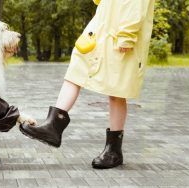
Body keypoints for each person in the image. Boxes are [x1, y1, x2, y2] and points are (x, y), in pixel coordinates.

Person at [20, 0, 155, 169]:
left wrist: (127, 36)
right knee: (76, 71)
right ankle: (53, 126)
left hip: (121, 36)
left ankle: (114, 150)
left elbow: (137, 5)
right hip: (99, 30)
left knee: (117, 89)